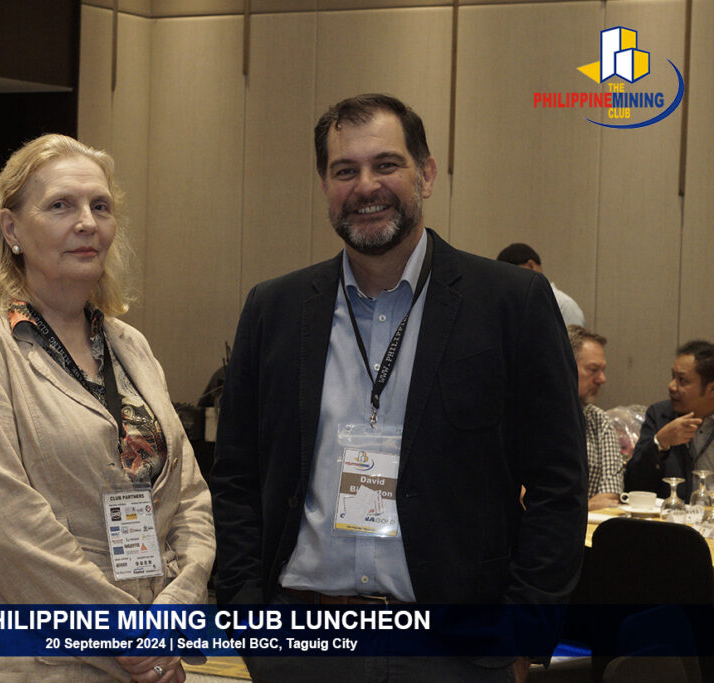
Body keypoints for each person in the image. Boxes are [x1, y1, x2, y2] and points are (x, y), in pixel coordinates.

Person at [210, 93, 587, 682]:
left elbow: (558, 482)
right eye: (345, 170)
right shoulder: (274, 309)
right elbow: (235, 476)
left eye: (386, 165)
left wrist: (524, 630)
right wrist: (245, 613)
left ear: (426, 174)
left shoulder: (510, 304)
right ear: (325, 185)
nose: (366, 186)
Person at [0, 134, 215, 682]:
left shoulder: (130, 346)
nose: (87, 222)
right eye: (61, 205)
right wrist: (125, 636)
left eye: (100, 206)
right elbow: (7, 530)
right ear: (12, 230)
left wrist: (176, 611)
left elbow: (189, 497)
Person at [625, 340, 714, 500]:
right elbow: (633, 485)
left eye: (682, 380)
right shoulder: (660, 416)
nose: (672, 386)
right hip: (672, 515)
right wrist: (659, 443)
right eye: (673, 377)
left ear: (711, 389)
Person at [567, 325, 622, 510]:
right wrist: (588, 505)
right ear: (565, 365)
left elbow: (610, 496)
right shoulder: (531, 417)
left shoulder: (599, 421)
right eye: (593, 369)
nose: (602, 379)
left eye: (602, 370)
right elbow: (525, 498)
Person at [497, 243, 585, 327]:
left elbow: (575, 338)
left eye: (512, 275)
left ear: (531, 266)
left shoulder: (564, 305)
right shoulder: (514, 306)